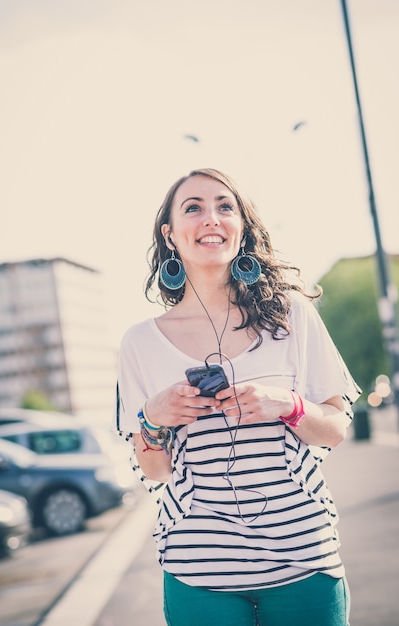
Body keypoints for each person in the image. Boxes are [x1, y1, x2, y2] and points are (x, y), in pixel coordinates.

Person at [114, 168, 360, 626]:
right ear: (170, 236)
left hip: (303, 557)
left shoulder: (291, 316)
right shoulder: (139, 343)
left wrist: (288, 405)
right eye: (194, 208)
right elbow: (155, 468)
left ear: (241, 229)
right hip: (198, 569)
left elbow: (337, 428)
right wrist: (153, 418)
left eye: (225, 207)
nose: (211, 218)